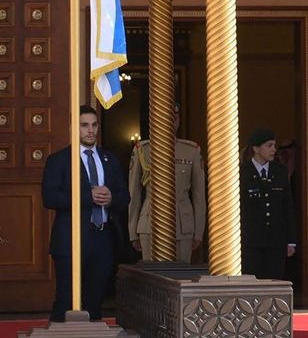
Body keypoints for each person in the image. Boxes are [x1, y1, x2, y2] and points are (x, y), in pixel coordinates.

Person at [42, 105, 129, 321]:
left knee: (95, 301)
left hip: (103, 238)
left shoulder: (109, 159)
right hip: (70, 239)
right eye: (84, 125)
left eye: (94, 125)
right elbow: (49, 197)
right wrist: (86, 197)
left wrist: (111, 198)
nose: (90, 130)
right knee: (66, 300)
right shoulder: (59, 160)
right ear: (74, 128)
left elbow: (124, 196)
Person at [128, 103, 207, 262]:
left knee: (181, 277)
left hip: (182, 224)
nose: (171, 122)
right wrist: (132, 230)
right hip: (150, 223)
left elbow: (199, 196)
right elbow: (134, 194)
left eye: (175, 118)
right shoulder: (143, 150)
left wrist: (198, 231)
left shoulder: (191, 151)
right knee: (152, 279)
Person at [240, 128, 297, 280]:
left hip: (275, 241)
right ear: (256, 149)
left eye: (274, 145)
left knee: (274, 281)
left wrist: (291, 240)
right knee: (251, 283)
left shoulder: (280, 172)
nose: (274, 149)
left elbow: (287, 208)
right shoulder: (242, 173)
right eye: (269, 145)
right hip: (251, 241)